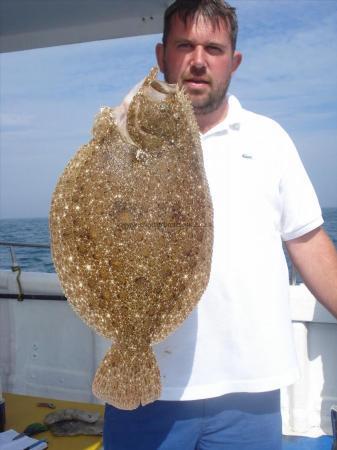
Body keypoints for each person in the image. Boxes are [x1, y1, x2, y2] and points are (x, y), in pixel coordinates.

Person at [103, 1, 337, 449]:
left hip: (249, 391)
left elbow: (307, 241)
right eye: (184, 45)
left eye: (213, 48)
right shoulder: (123, 141)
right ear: (161, 56)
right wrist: (120, 130)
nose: (197, 60)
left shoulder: (270, 140)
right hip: (146, 386)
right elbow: (92, 232)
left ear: (234, 61)